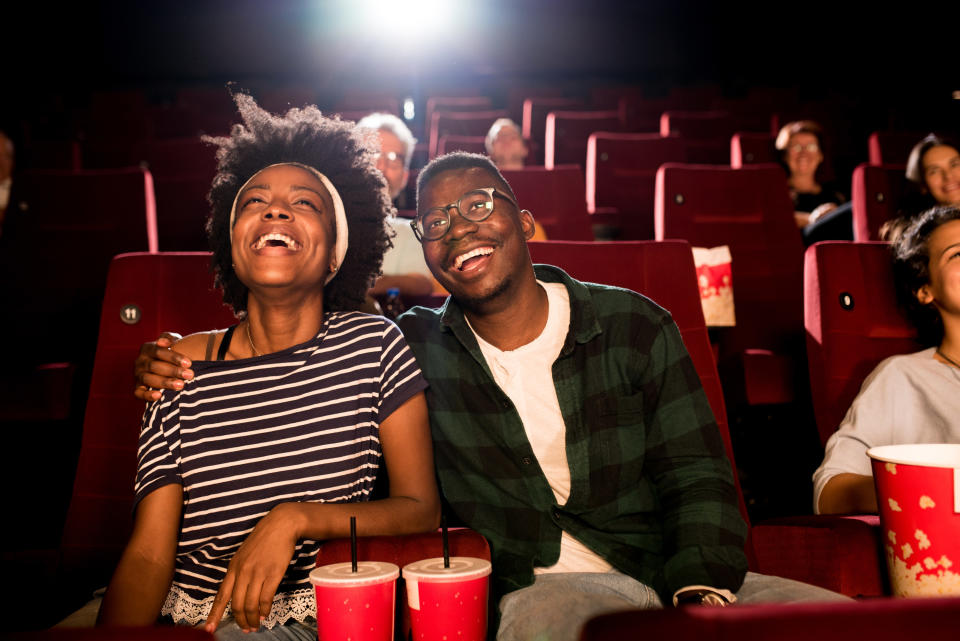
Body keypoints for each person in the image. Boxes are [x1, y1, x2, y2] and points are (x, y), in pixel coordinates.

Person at [136, 152, 845, 641]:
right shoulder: (411, 346)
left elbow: (699, 481)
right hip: (545, 593)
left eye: (477, 204)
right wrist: (167, 353)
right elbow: (300, 339)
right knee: (548, 617)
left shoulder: (635, 323)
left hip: (689, 579)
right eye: (435, 224)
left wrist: (698, 600)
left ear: (527, 220)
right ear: (428, 255)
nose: (459, 228)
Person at [101, 94, 440, 639]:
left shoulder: (373, 345)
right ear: (232, 247)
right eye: (254, 201)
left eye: (304, 204)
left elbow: (420, 508)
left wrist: (297, 516)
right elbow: (146, 556)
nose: (275, 210)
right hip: (184, 615)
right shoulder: (180, 364)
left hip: (305, 620)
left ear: (336, 255)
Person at [814, 205, 960, 515]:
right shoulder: (902, 378)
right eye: (957, 255)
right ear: (925, 290)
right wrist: (929, 489)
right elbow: (830, 491)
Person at [356, 112, 435, 298]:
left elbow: (422, 284)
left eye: (393, 158)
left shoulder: (412, 232)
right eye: (373, 153)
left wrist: (363, 285)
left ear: (405, 177)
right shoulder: (325, 223)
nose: (382, 166)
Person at [775, 120, 850, 245]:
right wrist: (811, 219)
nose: (804, 153)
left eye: (811, 147)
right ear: (785, 155)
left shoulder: (835, 195)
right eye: (796, 147)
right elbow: (772, 221)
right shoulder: (777, 194)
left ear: (820, 155)